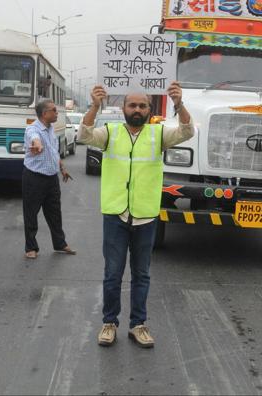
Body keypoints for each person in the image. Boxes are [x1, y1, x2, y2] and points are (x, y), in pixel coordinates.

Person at [78, 82, 194, 348]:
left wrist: (178, 103)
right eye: (133, 105)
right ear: (123, 108)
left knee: (142, 275)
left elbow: (187, 131)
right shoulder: (110, 132)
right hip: (116, 215)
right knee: (112, 274)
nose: (137, 109)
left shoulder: (158, 134)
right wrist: (95, 106)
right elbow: (84, 135)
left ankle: (138, 325)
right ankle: (109, 323)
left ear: (149, 108)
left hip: (145, 216)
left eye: (142, 105)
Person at [22, 99, 76, 259]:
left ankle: (60, 243)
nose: (57, 112)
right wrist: (37, 145)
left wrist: (62, 168)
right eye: (54, 110)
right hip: (34, 177)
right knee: (31, 213)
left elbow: (53, 151)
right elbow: (35, 138)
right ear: (45, 114)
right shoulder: (32, 129)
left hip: (52, 178)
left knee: (54, 212)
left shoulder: (51, 128)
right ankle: (31, 248)